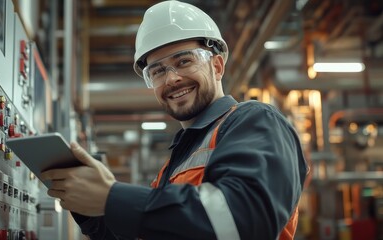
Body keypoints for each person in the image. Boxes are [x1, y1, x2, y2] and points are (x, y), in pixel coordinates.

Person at [40, 1, 308, 239]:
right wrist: (92, 209)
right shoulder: (174, 165)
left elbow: (244, 221)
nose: (171, 79)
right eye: (157, 71)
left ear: (216, 66)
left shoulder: (255, 121)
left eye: (184, 62)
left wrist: (113, 198)